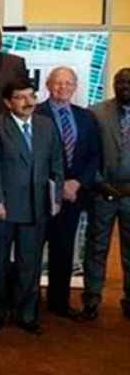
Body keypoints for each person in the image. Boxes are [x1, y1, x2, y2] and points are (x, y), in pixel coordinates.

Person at [0, 78, 64, 334]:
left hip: (38, 206)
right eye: (20, 97)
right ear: (8, 102)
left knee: (30, 263)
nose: (29, 101)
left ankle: (26, 314)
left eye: (31, 95)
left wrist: (56, 197)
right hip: (4, 207)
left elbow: (57, 164)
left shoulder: (46, 126)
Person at [34, 67, 100, 319]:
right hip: (41, 194)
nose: (62, 88)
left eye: (68, 83)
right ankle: (28, 300)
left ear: (75, 87)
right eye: (57, 83)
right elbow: (33, 157)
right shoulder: (35, 113)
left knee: (63, 249)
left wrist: (77, 183)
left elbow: (94, 155)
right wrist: (57, 184)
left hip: (73, 196)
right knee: (32, 249)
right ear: (48, 86)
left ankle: (58, 302)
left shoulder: (86, 117)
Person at [83, 67, 130, 321]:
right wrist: (101, 183)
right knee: (97, 247)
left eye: (129, 82)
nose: (124, 86)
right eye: (120, 82)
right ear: (113, 84)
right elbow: (88, 154)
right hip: (103, 192)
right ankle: (91, 299)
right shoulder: (96, 112)